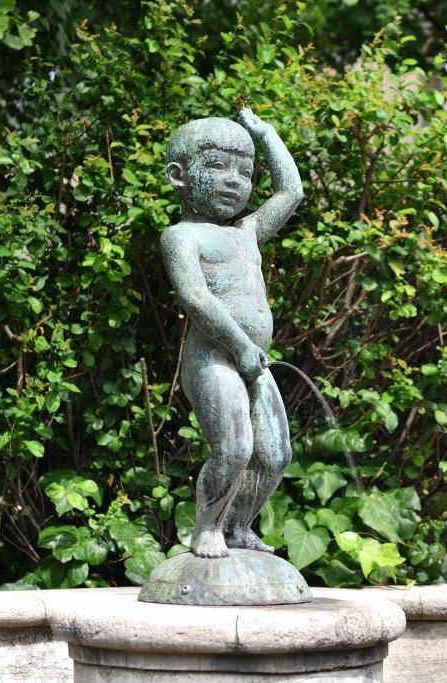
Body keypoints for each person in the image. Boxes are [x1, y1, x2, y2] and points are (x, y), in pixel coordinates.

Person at [160, 109, 304, 558]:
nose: (233, 180)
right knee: (235, 447)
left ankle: (239, 527)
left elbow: (291, 191)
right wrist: (241, 346)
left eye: (244, 171)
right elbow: (198, 299)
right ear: (179, 177)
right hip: (214, 358)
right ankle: (208, 527)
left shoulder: (247, 232)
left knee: (276, 454)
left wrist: (267, 133)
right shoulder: (181, 237)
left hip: (251, 361)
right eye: (217, 166)